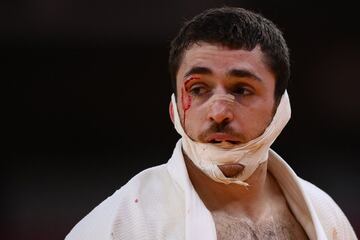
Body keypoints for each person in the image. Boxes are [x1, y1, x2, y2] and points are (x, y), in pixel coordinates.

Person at [65, 7, 357, 240]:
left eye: (242, 90)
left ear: (281, 107)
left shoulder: (325, 215)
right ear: (174, 107)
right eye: (198, 89)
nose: (219, 113)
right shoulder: (122, 225)